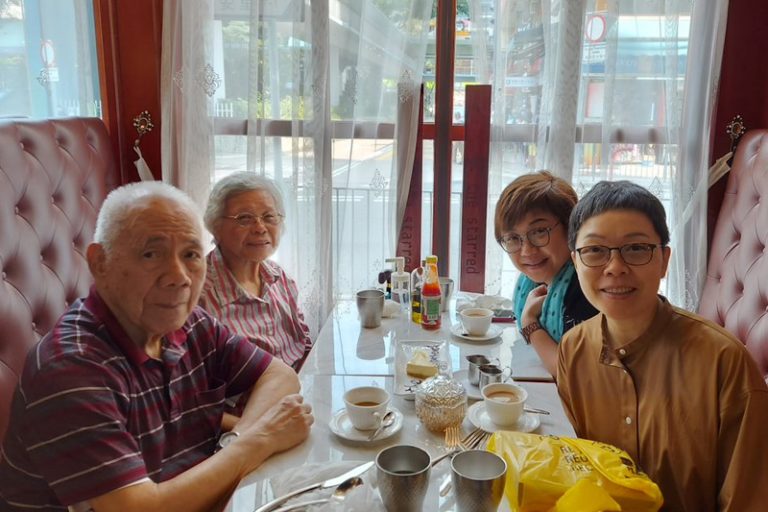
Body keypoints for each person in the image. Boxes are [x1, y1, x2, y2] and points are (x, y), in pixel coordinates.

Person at [0, 182, 314, 512]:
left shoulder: (189, 324)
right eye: (151, 254)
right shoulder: (72, 368)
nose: (179, 277)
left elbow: (278, 376)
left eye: (191, 255)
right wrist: (259, 440)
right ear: (100, 262)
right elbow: (138, 509)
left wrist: (240, 440)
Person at [558, 180, 768, 511]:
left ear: (664, 260)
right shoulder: (574, 349)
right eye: (595, 250)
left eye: (636, 248)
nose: (615, 267)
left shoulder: (723, 362)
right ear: (575, 262)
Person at [200, 172, 312, 372]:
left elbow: (305, 346)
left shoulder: (279, 277)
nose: (260, 228)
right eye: (244, 218)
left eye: (269, 217)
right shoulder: (198, 296)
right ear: (215, 226)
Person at [494, 171, 597, 376]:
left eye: (539, 231)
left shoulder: (586, 287)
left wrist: (530, 324)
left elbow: (571, 372)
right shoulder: (531, 283)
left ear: (570, 229)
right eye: (513, 238)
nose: (527, 251)